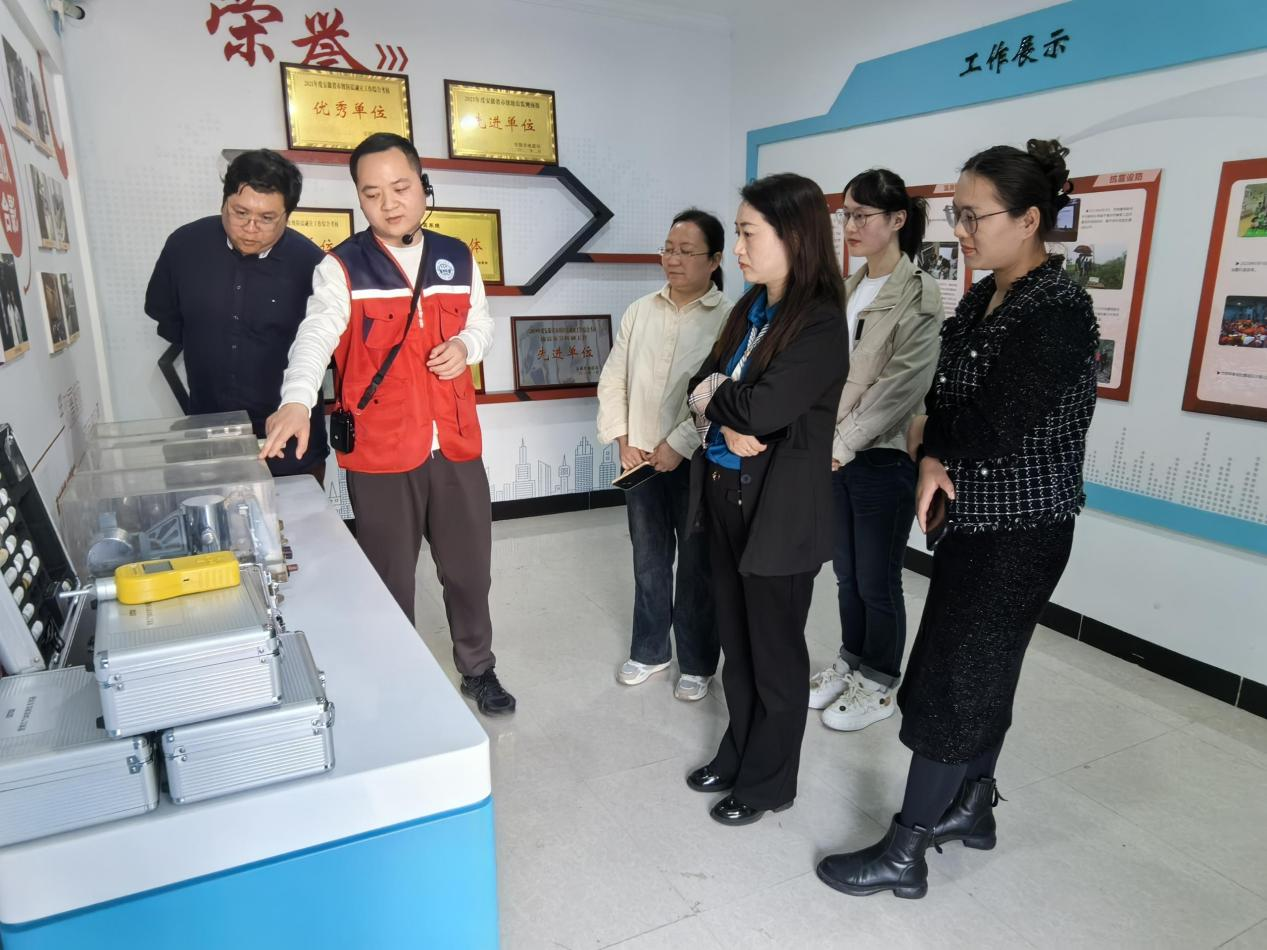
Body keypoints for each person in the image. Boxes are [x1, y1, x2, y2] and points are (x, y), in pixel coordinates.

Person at [816, 139, 1099, 899]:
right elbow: (943, 396)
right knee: (982, 670)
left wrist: (930, 441)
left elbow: (993, 424)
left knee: (955, 675)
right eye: (957, 216)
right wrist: (933, 446)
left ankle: (907, 849)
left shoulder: (1057, 310)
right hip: (972, 521)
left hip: (1022, 530)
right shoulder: (982, 297)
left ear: (1029, 219)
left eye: (975, 217)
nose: (961, 232)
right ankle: (972, 808)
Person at [260, 133, 515, 717]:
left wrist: (467, 346)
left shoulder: (457, 257)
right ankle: (400, 676)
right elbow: (315, 337)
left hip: (454, 445)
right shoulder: (342, 267)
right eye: (371, 193)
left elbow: (482, 322)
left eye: (400, 188)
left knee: (469, 572)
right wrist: (297, 399)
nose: (388, 203)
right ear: (359, 197)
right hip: (380, 451)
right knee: (389, 578)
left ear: (423, 186)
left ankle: (478, 668)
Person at [683, 173, 848, 825]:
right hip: (725, 494)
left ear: (794, 236)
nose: (739, 247)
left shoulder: (820, 323)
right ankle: (738, 752)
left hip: (779, 514)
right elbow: (700, 384)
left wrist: (721, 403)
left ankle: (769, 781)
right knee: (737, 642)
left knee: (774, 654)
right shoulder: (749, 309)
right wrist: (723, 410)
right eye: (739, 232)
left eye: (749, 233)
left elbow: (761, 408)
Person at [809, 169, 944, 732]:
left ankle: (880, 682)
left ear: (897, 220)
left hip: (880, 456)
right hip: (833, 453)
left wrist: (840, 444)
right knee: (845, 572)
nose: (851, 225)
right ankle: (851, 661)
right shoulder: (848, 286)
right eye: (846, 214)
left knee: (877, 578)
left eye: (863, 215)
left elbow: (901, 388)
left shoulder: (920, 293)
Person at [597, 209, 732, 702]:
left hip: (698, 461)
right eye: (668, 249)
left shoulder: (730, 318)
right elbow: (614, 377)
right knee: (649, 559)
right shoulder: (640, 311)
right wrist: (622, 437)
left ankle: (697, 661)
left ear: (715, 260)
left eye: (686, 251)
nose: (673, 259)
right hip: (639, 459)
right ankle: (651, 650)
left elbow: (722, 394)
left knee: (697, 564)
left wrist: (679, 443)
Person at [145, 149, 328, 480]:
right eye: (240, 212)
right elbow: (170, 323)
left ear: (288, 215)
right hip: (208, 442)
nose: (250, 228)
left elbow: (326, 351)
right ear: (224, 202)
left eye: (267, 218)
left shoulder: (313, 265)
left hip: (288, 448)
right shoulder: (184, 248)